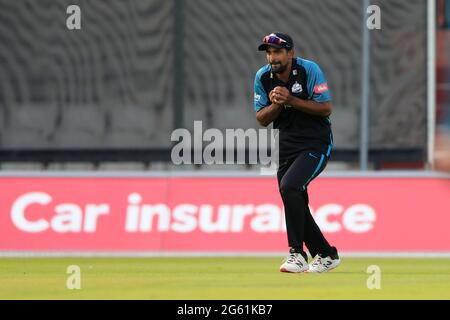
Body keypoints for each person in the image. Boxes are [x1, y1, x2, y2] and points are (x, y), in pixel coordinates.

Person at [253, 32, 340, 273]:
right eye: (269, 52)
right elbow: (261, 118)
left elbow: (325, 108)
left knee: (290, 187)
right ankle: (326, 254)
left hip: (316, 143)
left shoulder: (308, 70)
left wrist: (290, 99)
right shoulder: (262, 76)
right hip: (286, 146)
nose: (273, 57)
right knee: (295, 198)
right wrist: (276, 104)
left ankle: (297, 254)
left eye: (278, 52)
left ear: (290, 53)